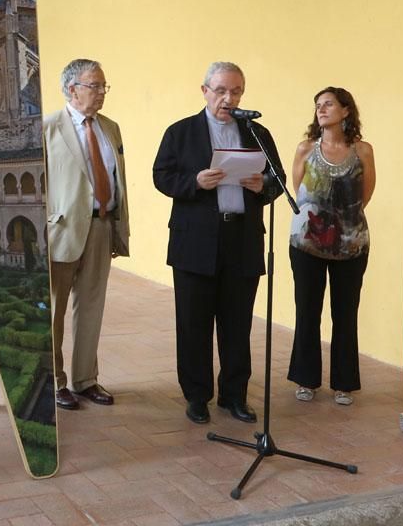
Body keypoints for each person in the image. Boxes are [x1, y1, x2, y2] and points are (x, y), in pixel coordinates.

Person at [152, 62, 284, 425]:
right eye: (222, 90)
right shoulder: (181, 133)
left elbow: (278, 179)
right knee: (193, 324)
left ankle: (234, 396)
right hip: (194, 242)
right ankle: (197, 396)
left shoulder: (256, 133)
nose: (229, 98)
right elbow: (161, 176)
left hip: (241, 240)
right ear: (205, 90)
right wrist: (195, 181)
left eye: (237, 91)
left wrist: (263, 188)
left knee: (237, 324)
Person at [43, 59, 130, 410]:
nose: (101, 93)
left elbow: (117, 178)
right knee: (53, 310)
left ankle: (85, 380)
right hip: (61, 231)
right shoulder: (47, 127)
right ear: (71, 88)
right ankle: (53, 381)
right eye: (94, 86)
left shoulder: (111, 128)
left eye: (104, 86)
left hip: (101, 225)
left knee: (91, 307)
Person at [288, 87, 375, 406]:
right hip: (306, 243)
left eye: (328, 104)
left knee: (345, 312)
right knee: (307, 311)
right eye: (318, 106)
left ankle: (344, 383)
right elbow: (300, 192)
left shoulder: (363, 150)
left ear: (346, 111)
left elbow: (364, 195)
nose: (321, 110)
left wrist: (342, 222)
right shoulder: (305, 149)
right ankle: (306, 379)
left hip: (351, 244)